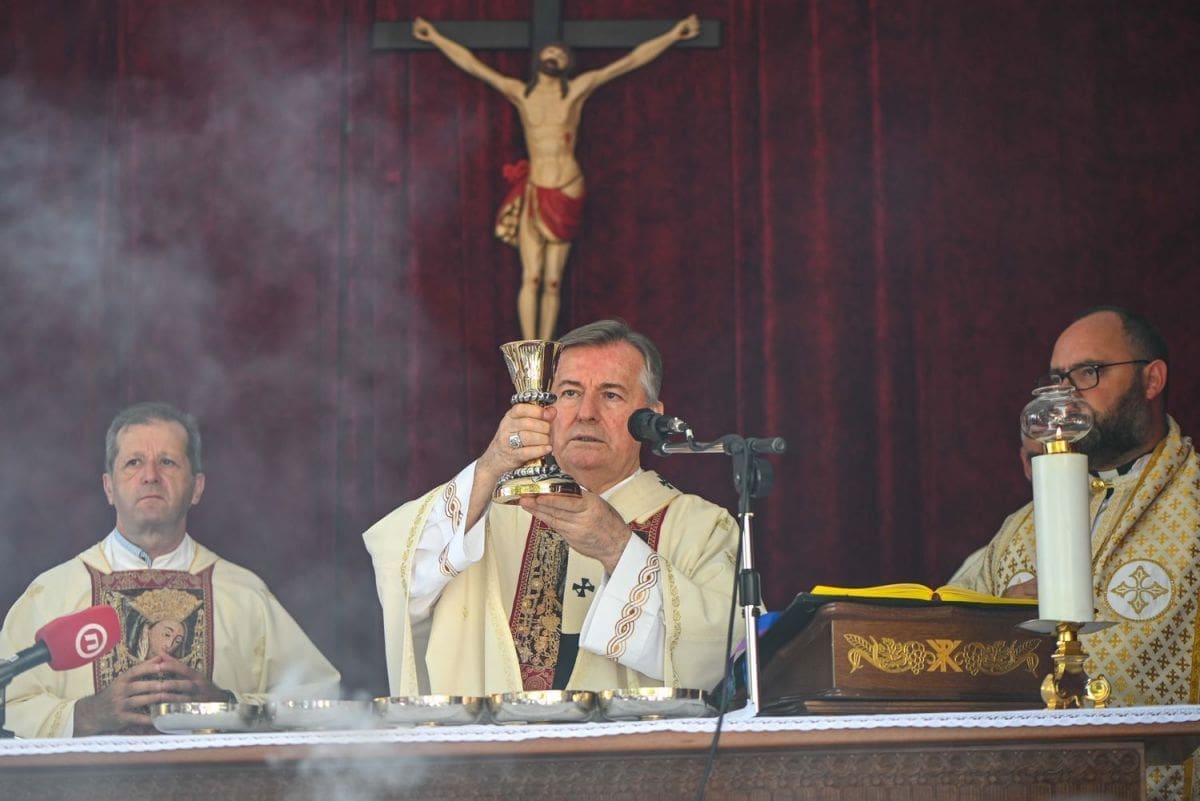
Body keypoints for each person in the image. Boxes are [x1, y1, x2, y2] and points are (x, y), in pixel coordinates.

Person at [364, 319, 740, 696]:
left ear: (651, 416)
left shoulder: (701, 527)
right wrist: (491, 467)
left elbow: (724, 654)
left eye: (611, 395)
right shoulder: (486, 517)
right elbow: (403, 576)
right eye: (569, 393)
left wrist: (617, 548)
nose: (586, 412)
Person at [947, 306, 1200, 800]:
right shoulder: (1019, 530)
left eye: (1088, 373)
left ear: (1152, 379)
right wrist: (997, 620)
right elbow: (945, 639)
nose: (1066, 397)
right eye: (1058, 380)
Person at [0, 402, 341, 737]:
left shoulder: (243, 594)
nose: (150, 476)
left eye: (167, 462)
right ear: (109, 488)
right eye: (133, 462)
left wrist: (225, 706)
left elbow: (320, 699)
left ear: (197, 488)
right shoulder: (52, 594)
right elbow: (9, 702)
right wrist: (87, 714)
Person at [412, 15, 700, 341]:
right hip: (536, 188)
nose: (554, 56)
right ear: (539, 59)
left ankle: (546, 347)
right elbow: (474, 65)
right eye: (550, 52)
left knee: (552, 281)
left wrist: (673, 35)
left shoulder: (575, 92)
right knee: (531, 276)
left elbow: (629, 61)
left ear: (567, 64)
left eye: (560, 55)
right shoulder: (521, 94)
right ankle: (530, 347)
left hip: (567, 189)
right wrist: (434, 37)